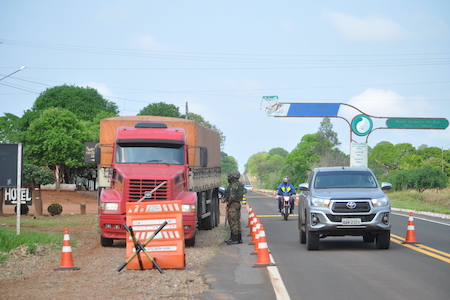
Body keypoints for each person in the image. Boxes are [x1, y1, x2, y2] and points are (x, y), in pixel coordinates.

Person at [221, 170, 246, 245]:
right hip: (237, 204)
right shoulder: (239, 184)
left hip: (233, 204)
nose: (229, 178)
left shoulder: (233, 185)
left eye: (230, 177)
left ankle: (234, 238)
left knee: (232, 221)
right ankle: (238, 238)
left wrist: (228, 204)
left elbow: (231, 196)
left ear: (234, 177)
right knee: (237, 221)